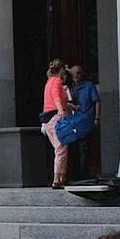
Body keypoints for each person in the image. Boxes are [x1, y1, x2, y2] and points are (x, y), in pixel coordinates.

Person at [41, 58, 72, 189]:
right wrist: (61, 111)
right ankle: (57, 179)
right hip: (55, 117)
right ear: (61, 71)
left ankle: (61, 177)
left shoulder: (49, 82)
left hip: (48, 119)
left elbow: (49, 100)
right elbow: (56, 97)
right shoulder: (57, 81)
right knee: (60, 148)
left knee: (61, 148)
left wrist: (68, 105)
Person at [69, 64, 102, 179]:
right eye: (74, 73)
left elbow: (97, 101)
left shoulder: (89, 85)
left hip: (87, 119)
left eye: (78, 73)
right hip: (75, 121)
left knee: (85, 148)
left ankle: (84, 174)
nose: (77, 75)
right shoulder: (71, 87)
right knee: (75, 148)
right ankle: (77, 174)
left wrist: (96, 118)